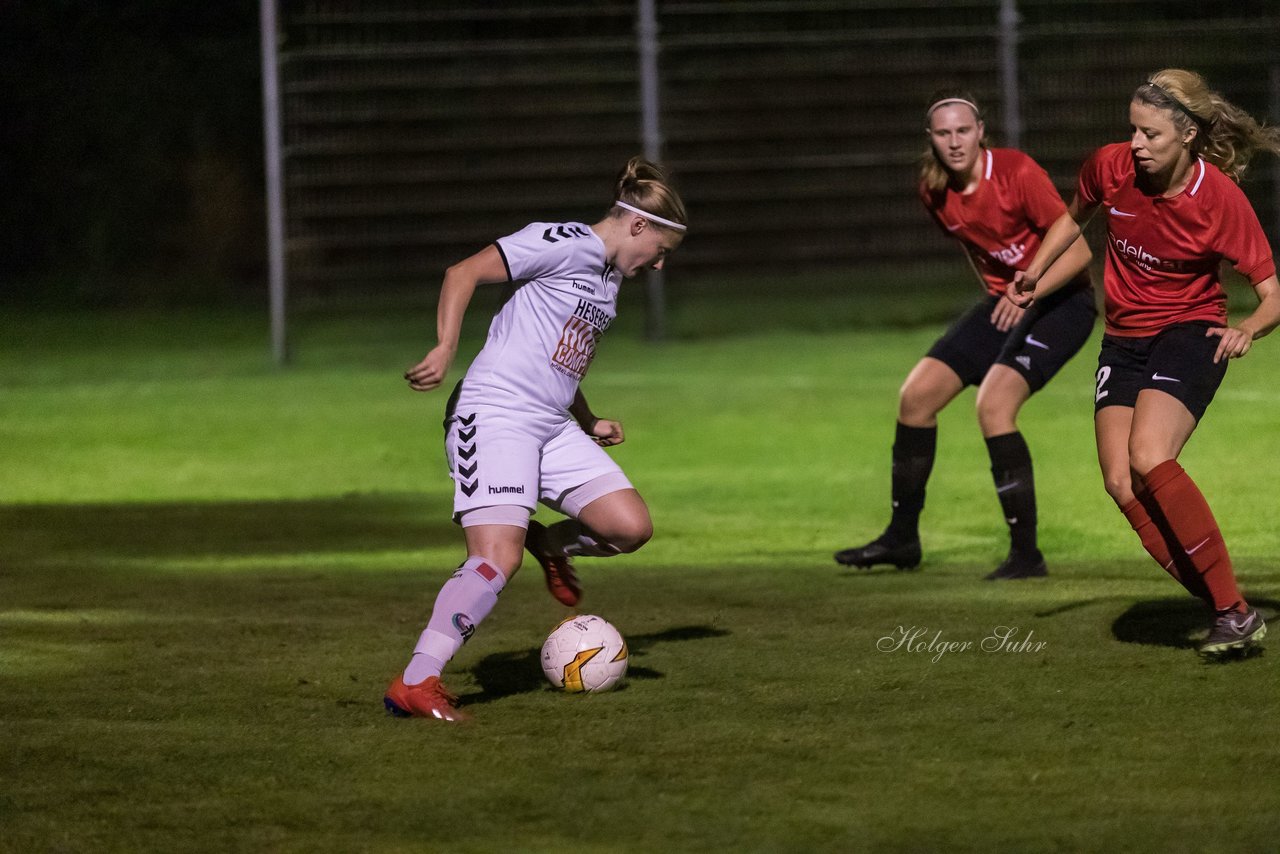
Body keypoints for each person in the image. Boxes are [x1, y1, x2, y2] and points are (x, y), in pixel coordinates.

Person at [384, 157, 687, 720]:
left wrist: (589, 419)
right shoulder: (563, 242)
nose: (660, 265)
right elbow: (462, 272)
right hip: (494, 414)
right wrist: (445, 348)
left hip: (551, 423)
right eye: (662, 250)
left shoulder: (609, 280)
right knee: (496, 558)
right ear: (638, 226)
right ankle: (416, 682)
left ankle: (549, 542)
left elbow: (558, 360)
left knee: (629, 528)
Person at [1011, 69, 1280, 657]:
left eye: (1150, 134)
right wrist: (1036, 268)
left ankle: (1232, 612)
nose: (1135, 144)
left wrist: (1247, 330)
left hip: (1190, 332)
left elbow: (1273, 294)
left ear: (1186, 136)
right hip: (1124, 339)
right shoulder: (1111, 167)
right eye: (1133, 129)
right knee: (1120, 483)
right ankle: (1229, 608)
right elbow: (1072, 215)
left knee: (1149, 456)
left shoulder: (1218, 199)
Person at [835, 90, 1096, 579]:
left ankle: (1026, 557)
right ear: (930, 140)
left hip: (1062, 303)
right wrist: (1004, 299)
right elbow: (980, 252)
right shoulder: (934, 190)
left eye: (963, 131)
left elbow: (1079, 255)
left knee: (994, 407)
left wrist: (1027, 295)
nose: (954, 142)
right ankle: (902, 539)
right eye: (943, 133)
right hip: (1007, 303)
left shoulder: (1016, 172)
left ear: (980, 132)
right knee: (916, 398)